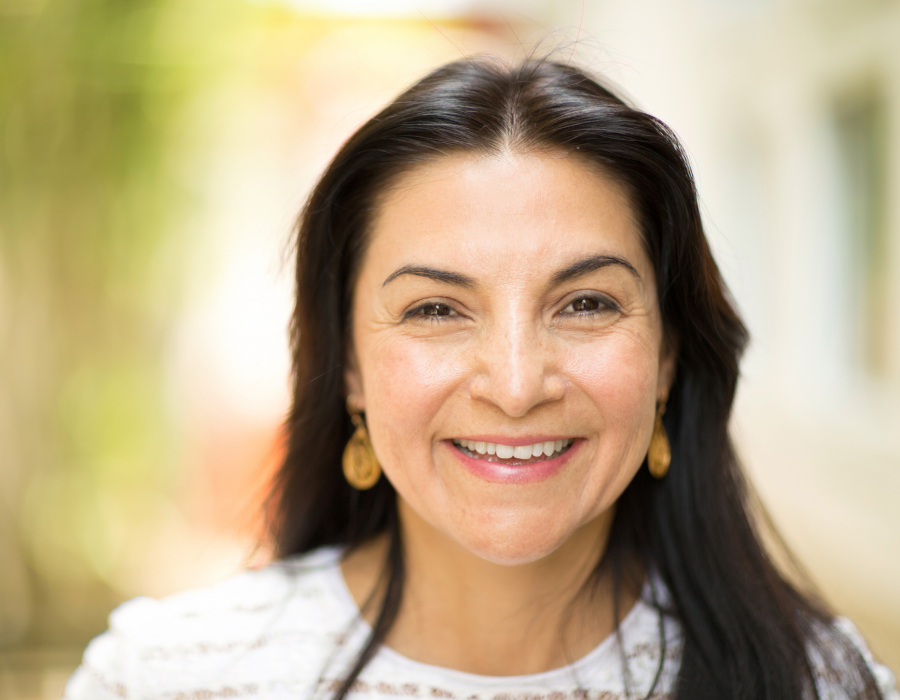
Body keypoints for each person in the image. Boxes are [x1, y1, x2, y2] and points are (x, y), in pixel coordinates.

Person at [64, 56, 898, 700]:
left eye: (585, 302)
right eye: (434, 310)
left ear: (668, 358)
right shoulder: (165, 677)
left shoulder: (818, 682)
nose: (514, 383)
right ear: (349, 366)